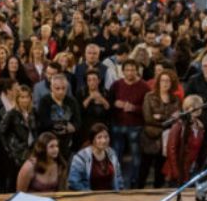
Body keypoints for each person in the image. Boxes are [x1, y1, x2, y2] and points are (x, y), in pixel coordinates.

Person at [110, 59, 148, 188]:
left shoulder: (144, 86)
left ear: (137, 71)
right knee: (116, 155)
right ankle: (116, 182)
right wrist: (115, 104)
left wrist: (134, 108)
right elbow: (109, 102)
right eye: (127, 70)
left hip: (135, 126)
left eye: (133, 70)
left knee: (136, 157)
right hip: (118, 125)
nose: (130, 72)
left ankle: (134, 182)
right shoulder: (116, 84)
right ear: (123, 71)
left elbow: (147, 108)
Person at [140, 68, 180, 188]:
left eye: (168, 81)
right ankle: (138, 190)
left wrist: (160, 117)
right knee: (144, 168)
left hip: (167, 139)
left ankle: (156, 193)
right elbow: (148, 118)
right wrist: (167, 119)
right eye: (163, 80)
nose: (165, 83)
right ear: (158, 82)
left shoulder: (176, 99)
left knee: (160, 169)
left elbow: (176, 120)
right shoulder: (149, 96)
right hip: (150, 137)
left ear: (172, 83)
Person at [0, 85, 36, 191]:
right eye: (22, 97)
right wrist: (9, 149)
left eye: (27, 97)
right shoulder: (11, 114)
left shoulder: (33, 113)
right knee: (13, 182)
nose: (24, 100)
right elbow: (1, 132)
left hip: (31, 151)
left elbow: (35, 132)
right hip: (16, 154)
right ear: (17, 99)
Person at [35, 73, 80, 160]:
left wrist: (71, 127)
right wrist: (65, 125)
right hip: (49, 145)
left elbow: (77, 122)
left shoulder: (72, 101)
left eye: (64, 88)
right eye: (57, 88)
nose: (61, 91)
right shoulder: (45, 101)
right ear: (51, 87)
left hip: (67, 145)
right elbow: (44, 122)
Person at [163, 95, 205, 186]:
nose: (197, 109)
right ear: (186, 108)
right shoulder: (179, 125)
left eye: (199, 106)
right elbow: (171, 150)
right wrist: (176, 172)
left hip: (191, 169)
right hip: (178, 170)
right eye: (193, 106)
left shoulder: (200, 126)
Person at [68, 124, 123, 191]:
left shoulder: (112, 153)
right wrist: (90, 194)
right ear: (93, 140)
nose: (104, 141)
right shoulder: (81, 157)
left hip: (111, 196)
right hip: (89, 197)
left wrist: (120, 192)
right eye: (99, 137)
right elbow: (74, 182)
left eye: (106, 137)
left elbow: (118, 177)